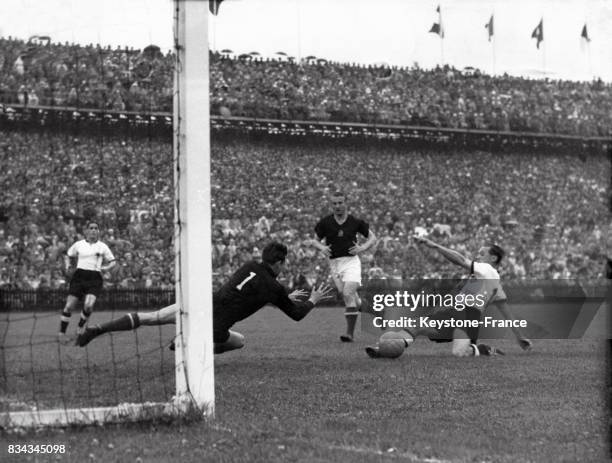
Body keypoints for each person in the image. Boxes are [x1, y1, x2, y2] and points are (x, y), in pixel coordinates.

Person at [76, 242, 332, 353]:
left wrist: (286, 294)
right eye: (283, 263)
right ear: (278, 262)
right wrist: (313, 299)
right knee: (239, 342)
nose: (284, 267)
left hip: (200, 304)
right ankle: (189, 347)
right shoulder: (273, 288)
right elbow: (296, 314)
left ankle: (97, 329)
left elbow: (251, 293)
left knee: (150, 317)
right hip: (215, 328)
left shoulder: (249, 266)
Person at [366, 237, 532, 358]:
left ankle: (483, 349)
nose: (477, 256)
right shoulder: (490, 280)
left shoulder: (488, 270)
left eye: (481, 254)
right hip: (454, 312)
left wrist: (435, 245)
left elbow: (460, 260)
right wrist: (520, 337)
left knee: (460, 353)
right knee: (418, 325)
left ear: (493, 258)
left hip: (468, 316)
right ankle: (386, 350)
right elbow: (506, 313)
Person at [311, 191, 377, 342]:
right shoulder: (325, 223)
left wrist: (362, 248)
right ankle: (369, 310)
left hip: (351, 262)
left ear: (346, 203)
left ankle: (349, 334)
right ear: (331, 205)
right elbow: (314, 241)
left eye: (340, 202)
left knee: (347, 293)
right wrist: (321, 247)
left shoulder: (355, 221)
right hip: (334, 263)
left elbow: (373, 237)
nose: (337, 206)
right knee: (349, 296)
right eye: (334, 203)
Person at [58, 222, 116, 343]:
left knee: (89, 305)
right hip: (79, 276)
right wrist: (68, 265)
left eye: (96, 228)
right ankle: (61, 334)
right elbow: (68, 255)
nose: (93, 230)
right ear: (87, 231)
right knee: (69, 306)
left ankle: (80, 327)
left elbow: (113, 261)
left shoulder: (103, 246)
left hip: (94, 277)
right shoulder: (79, 244)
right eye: (91, 228)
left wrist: (105, 268)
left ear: (98, 231)